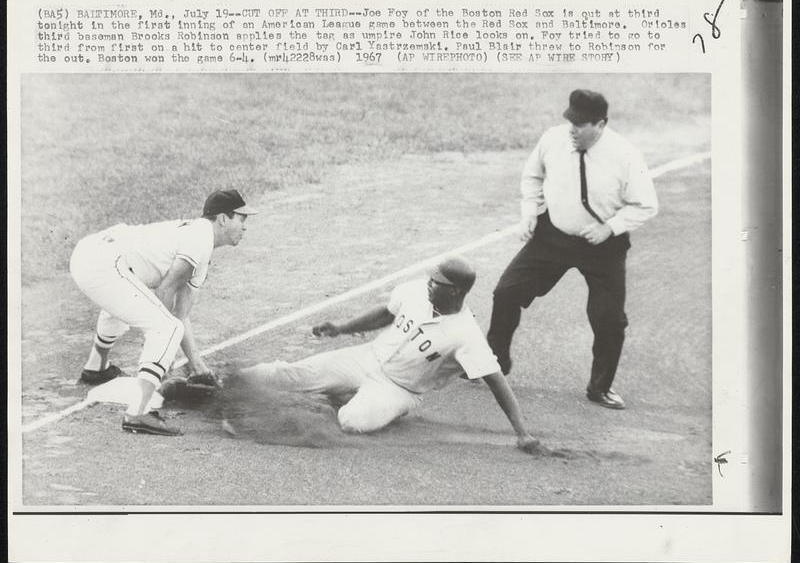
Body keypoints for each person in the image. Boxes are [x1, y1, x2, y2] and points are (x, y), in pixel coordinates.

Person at [237, 257, 541, 453]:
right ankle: (229, 380)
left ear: (456, 292)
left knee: (351, 422)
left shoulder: (467, 336)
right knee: (289, 374)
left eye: (437, 283)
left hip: (398, 388)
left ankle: (381, 407)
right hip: (365, 358)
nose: (429, 284)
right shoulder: (416, 290)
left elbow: (497, 382)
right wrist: (341, 328)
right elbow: (384, 314)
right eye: (432, 278)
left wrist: (522, 432)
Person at [486, 89, 658, 410]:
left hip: (603, 247)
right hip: (554, 236)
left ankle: (600, 388)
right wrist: (530, 214)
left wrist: (610, 227)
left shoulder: (626, 155)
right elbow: (532, 176)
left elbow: (646, 205)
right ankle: (494, 363)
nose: (573, 129)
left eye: (581, 124)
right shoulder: (553, 139)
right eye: (571, 121)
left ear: (601, 124)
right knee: (506, 292)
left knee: (609, 320)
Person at [69, 189, 258, 435]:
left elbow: (182, 313)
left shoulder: (200, 246)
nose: (245, 228)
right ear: (223, 219)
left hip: (93, 255)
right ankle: (137, 414)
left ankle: (96, 368)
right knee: (166, 328)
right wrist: (162, 357)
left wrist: (198, 366)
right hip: (101, 262)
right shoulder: (200, 238)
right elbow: (166, 293)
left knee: (130, 299)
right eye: (241, 219)